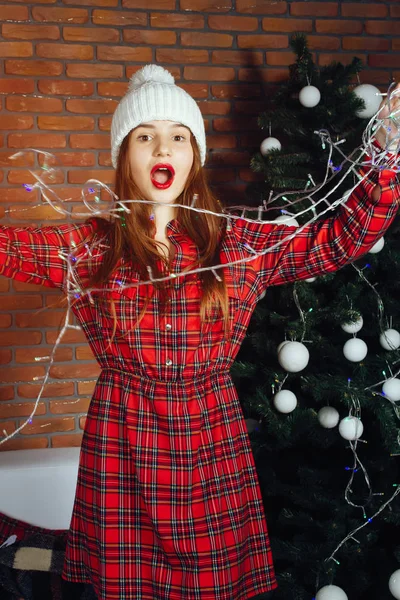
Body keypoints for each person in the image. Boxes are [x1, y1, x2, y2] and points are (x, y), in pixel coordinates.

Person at [0, 65, 399, 600]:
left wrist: (386, 158)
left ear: (194, 155)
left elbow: (337, 241)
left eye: (178, 136)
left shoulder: (238, 244)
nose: (162, 147)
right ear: (125, 157)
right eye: (145, 136)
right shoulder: (91, 246)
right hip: (123, 439)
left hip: (209, 439)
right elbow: (11, 247)